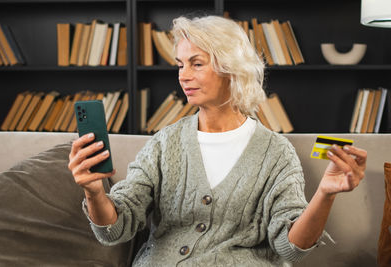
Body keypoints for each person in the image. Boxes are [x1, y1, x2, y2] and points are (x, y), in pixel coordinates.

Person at [68, 15, 367, 266]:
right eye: (180, 64)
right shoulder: (164, 144)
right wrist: (94, 191)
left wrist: (326, 193)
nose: (183, 76)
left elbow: (290, 247)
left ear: (231, 69)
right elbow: (114, 230)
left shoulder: (275, 153)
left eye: (196, 64)